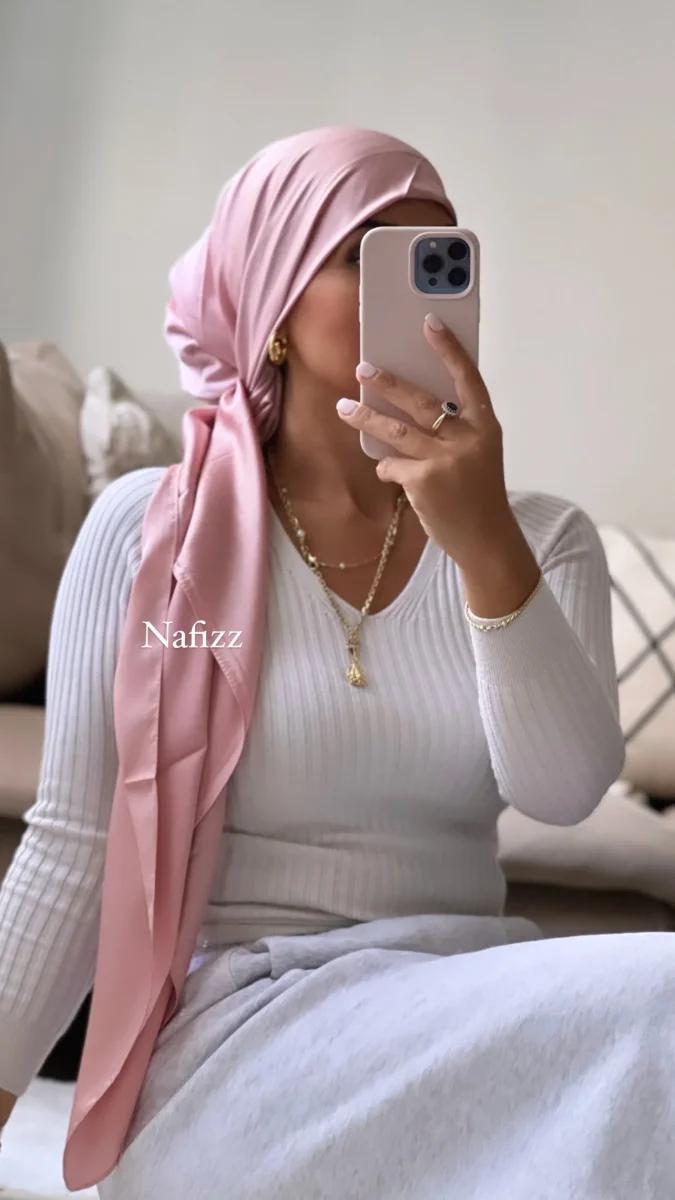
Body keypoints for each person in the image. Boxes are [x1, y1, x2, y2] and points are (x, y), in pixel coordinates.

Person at [0, 126, 673, 1199]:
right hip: (246, 1037)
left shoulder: (541, 538)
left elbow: (559, 791)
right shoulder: (148, 534)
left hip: (464, 1002)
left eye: (440, 261)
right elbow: (74, 853)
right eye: (365, 256)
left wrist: (484, 544)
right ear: (271, 298)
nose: (417, 294)